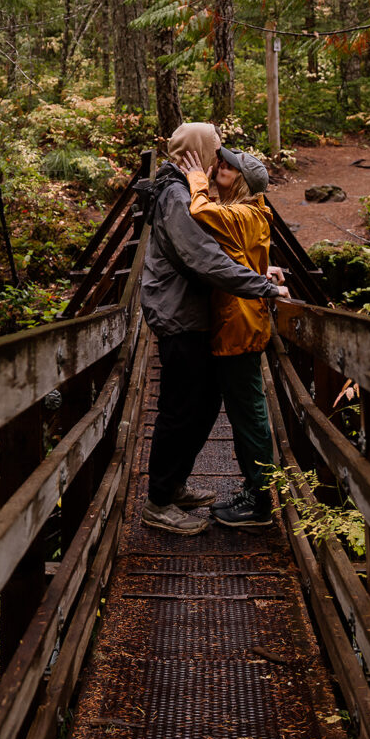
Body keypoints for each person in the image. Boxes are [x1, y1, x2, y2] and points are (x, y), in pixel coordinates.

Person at [140, 122, 289, 536]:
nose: (219, 156)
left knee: (203, 405)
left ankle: (173, 484)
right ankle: (157, 501)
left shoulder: (186, 189)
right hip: (180, 317)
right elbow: (203, 258)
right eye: (215, 149)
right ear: (198, 152)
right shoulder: (175, 194)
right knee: (178, 410)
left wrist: (259, 270)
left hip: (194, 315)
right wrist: (260, 285)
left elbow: (226, 248)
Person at [180, 145, 280, 527]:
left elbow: (201, 211)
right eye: (220, 161)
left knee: (249, 415)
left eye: (227, 165)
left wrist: (196, 178)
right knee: (245, 412)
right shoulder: (251, 213)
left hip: (240, 324)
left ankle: (259, 501)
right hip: (239, 320)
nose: (219, 164)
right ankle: (255, 491)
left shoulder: (240, 213)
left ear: (240, 180)